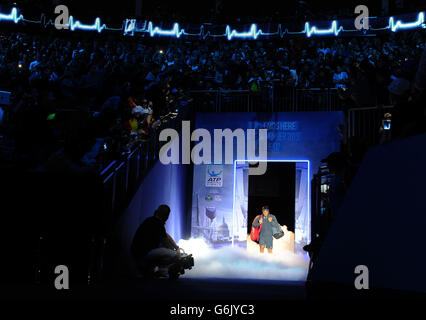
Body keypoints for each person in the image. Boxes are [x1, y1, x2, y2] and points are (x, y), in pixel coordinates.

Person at [131, 204, 182, 278]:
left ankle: (153, 270)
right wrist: (177, 254)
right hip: (143, 255)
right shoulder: (158, 224)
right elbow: (166, 242)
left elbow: (166, 235)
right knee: (173, 255)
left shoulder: (151, 220)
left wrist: (176, 247)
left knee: (167, 254)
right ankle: (160, 271)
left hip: (138, 256)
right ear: (166, 216)